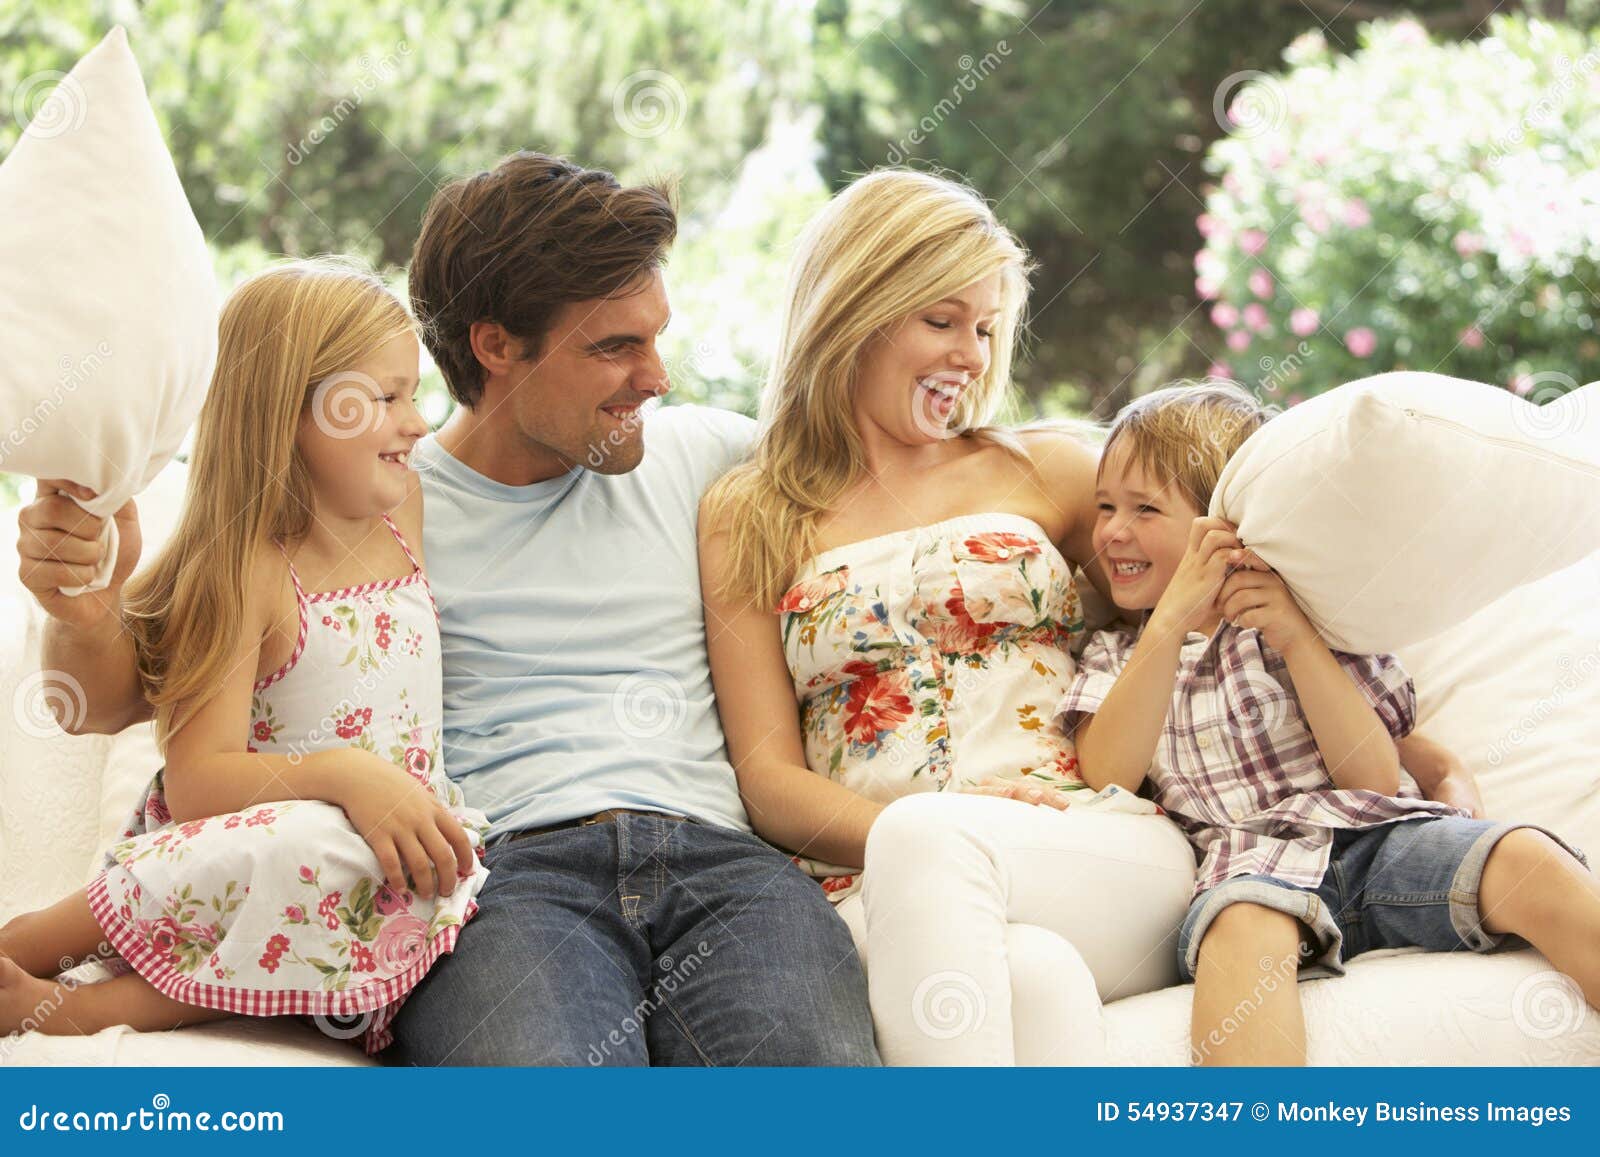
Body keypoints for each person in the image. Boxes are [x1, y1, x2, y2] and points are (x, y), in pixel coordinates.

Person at [16, 151, 877, 1066]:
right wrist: (82, 607)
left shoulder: (709, 457)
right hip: (502, 882)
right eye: (614, 347)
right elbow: (131, 687)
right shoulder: (371, 494)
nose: (657, 376)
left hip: (728, 869)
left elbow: (899, 477)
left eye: (657, 337)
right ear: (496, 345)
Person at [697, 169, 1487, 1066]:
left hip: (1092, 839)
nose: (972, 355)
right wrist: (943, 829)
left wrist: (1415, 752)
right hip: (879, 874)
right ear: (855, 309)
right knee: (1034, 978)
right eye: (943, 320)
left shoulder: (1055, 472)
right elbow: (768, 778)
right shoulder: (750, 512)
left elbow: (1223, 608)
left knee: (939, 849)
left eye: (986, 328)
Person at [1, 260, 487, 1054]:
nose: (417, 424)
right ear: (289, 410)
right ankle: (37, 962)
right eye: (388, 397)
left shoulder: (402, 511)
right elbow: (197, 782)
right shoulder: (248, 572)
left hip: (376, 859)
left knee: (349, 860)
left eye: (414, 395)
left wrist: (383, 798)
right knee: (313, 843)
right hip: (251, 850)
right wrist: (348, 776)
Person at [1058, 379, 1600, 1066]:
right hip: (1250, 868)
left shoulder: (1311, 618)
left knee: (1526, 858)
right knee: (1240, 933)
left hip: (1376, 841)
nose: (1112, 531)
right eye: (1105, 506)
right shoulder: (1116, 655)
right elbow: (1108, 770)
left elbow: (1374, 778)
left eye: (1144, 508)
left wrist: (1297, 638)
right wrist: (1166, 624)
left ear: (1220, 526)